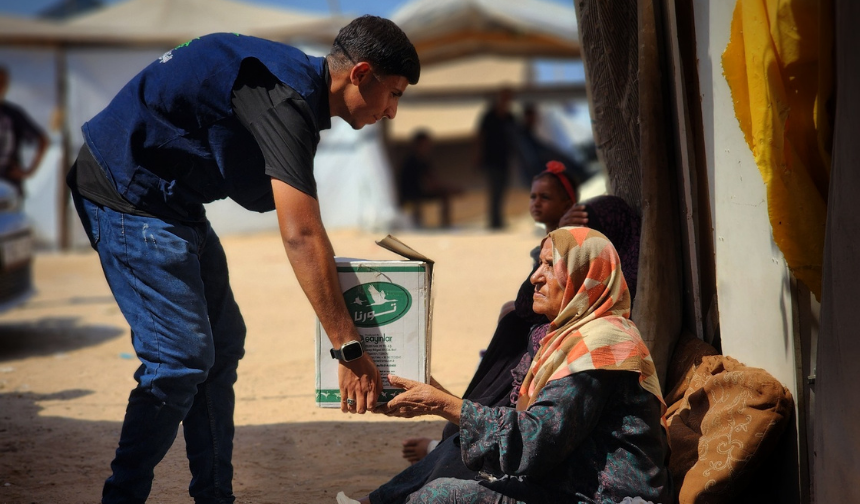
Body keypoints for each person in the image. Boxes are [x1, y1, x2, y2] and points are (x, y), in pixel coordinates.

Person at [66, 16, 419, 504]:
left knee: (223, 345)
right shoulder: (283, 98)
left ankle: (215, 497)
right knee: (180, 358)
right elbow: (300, 234)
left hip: (174, 202)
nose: (393, 111)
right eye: (395, 94)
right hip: (126, 192)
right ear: (360, 74)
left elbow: (302, 222)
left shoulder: (293, 89)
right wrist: (350, 350)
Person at [354, 227, 669, 504]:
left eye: (549, 265)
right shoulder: (569, 338)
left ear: (583, 275)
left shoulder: (602, 348)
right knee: (453, 461)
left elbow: (536, 441)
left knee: (442, 496)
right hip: (567, 483)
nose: (535, 276)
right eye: (538, 264)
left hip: (601, 496)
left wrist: (445, 404)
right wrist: (441, 398)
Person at [401, 160, 584, 464]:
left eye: (545, 197)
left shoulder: (577, 245)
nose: (535, 203)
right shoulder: (544, 248)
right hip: (529, 331)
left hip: (540, 337)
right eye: (533, 196)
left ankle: (448, 441)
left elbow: (527, 305)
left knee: (510, 328)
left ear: (569, 203)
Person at [0, 66, 49, 196]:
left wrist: (29, 171)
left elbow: (43, 140)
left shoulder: (13, 115)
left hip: (9, 185)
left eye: (2, 83)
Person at [397, 130, 457, 228]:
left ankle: (445, 226)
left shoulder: (423, 161)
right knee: (443, 194)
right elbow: (429, 184)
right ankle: (443, 226)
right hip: (411, 194)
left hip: (417, 192)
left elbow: (431, 180)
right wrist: (448, 189)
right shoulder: (412, 161)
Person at [476, 88, 517, 230]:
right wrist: (478, 155)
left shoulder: (510, 117)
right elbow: (481, 136)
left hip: (504, 159)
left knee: (502, 189)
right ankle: (494, 221)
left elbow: (515, 139)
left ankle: (498, 219)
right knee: (494, 189)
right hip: (491, 158)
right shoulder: (489, 116)